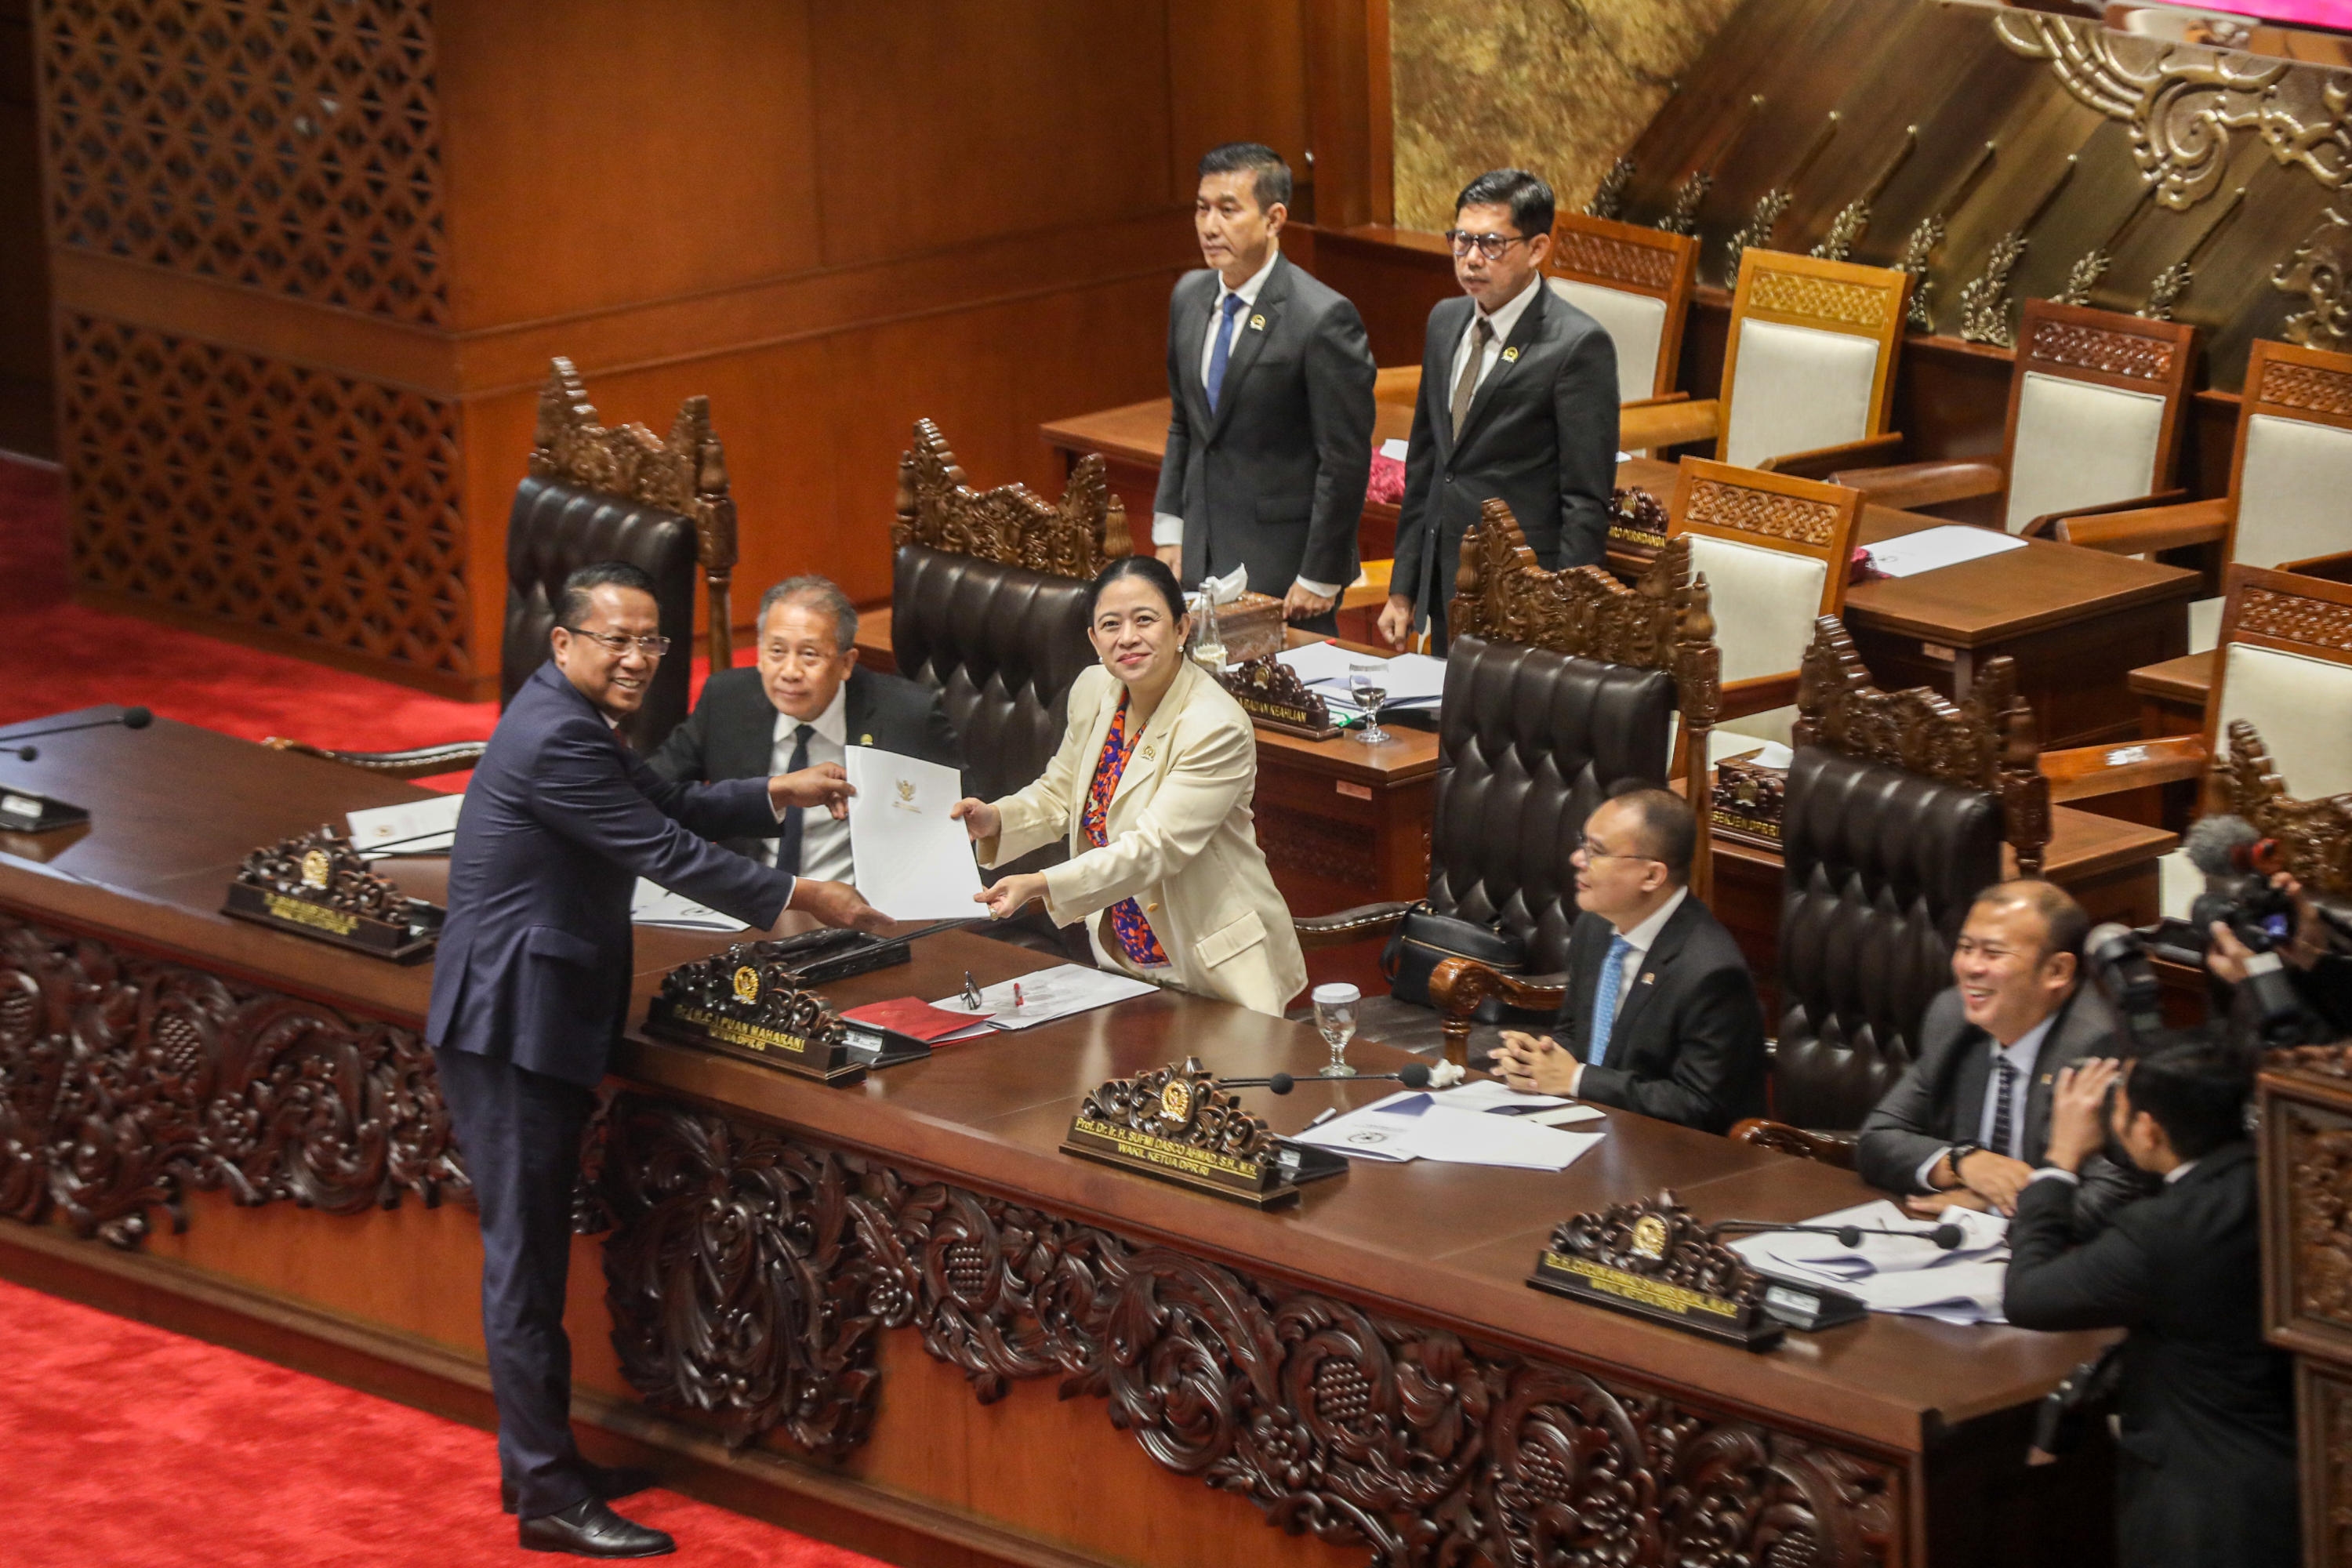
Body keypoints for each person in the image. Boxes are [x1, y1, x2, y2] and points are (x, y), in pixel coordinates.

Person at [427, 561, 888, 1558]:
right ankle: (547, 1494)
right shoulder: (557, 733)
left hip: (539, 1008)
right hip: (512, 1024)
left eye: (652, 641)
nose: (639, 658)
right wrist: (809, 895)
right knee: (524, 1263)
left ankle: (538, 1462)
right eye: (617, 641)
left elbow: (668, 799)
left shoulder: (571, 715)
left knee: (533, 1254)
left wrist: (777, 788)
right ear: (564, 645)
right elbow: (664, 850)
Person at [949, 555, 1306, 1015]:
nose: (1128, 638)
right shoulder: (1095, 689)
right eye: (1111, 625)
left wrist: (1042, 883)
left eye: (1145, 620)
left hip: (1212, 970)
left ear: (1181, 628)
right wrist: (995, 818)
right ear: (1094, 640)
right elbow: (1063, 792)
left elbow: (1154, 849)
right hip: (1120, 959)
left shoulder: (1215, 726)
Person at [2005, 1045, 2297, 1568]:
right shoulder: (2288, 1180)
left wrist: (2060, 1161)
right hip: (2296, 1472)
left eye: (2118, 1109)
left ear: (2149, 1130)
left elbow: (2030, 1297)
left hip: (2204, 1507)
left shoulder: (2163, 1233)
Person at [1381, 169, 1619, 652]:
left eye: (1491, 243)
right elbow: (1428, 463)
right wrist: (1404, 586)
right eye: (1461, 240)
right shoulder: (1445, 321)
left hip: (1525, 589)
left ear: (1536, 249)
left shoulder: (1576, 345)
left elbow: (1584, 497)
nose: (1471, 259)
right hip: (1448, 578)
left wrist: (1565, 610)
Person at [1152, 142, 1376, 633]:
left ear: (1274, 219)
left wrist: (1320, 574)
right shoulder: (1188, 296)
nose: (1210, 226)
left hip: (1284, 567)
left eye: (1228, 210)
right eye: (1202, 208)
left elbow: (1344, 459)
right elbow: (1184, 424)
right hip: (1200, 553)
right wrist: (1171, 529)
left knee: (1283, 708)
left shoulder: (1322, 317)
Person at [1857, 880, 2143, 1225]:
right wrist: (1962, 1163)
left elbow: (2116, 1195)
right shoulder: (1953, 1019)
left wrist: (1993, 1207)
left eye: (1993, 954)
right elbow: (1877, 1138)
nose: (1969, 967)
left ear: (2057, 971)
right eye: (1965, 948)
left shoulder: (2098, 1048)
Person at [1490, 785, 1766, 1131]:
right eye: (1583, 844)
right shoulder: (1596, 926)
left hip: (1677, 1156)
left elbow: (1700, 1104)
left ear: (1652, 876)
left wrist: (1577, 1079)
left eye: (1597, 852)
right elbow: (1577, 1032)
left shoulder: (1710, 972)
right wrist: (1537, 1059)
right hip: (1594, 1127)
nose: (1578, 859)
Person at [648, 575, 961, 873]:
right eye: (777, 652)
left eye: (809, 655)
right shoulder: (725, 700)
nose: (790, 671)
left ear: (846, 663)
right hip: (752, 901)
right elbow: (652, 793)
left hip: (862, 909)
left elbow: (965, 823)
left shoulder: (907, 715)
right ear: (759, 653)